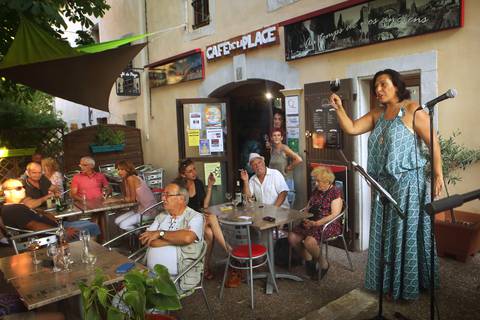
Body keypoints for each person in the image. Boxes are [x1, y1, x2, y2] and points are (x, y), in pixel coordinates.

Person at [330, 68, 444, 300]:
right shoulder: (377, 114)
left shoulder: (414, 110)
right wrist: (339, 108)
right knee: (388, 234)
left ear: (397, 85)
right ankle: (391, 282)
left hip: (408, 184)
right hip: (383, 186)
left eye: (383, 84)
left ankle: (410, 283)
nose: (378, 90)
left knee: (406, 234)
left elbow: (434, 143)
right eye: (376, 86)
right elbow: (351, 128)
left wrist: (438, 174)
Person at [139, 181, 204, 291]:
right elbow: (146, 240)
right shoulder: (161, 216)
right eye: (163, 194)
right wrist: (176, 239)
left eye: (167, 195)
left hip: (177, 278)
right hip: (149, 273)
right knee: (119, 299)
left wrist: (160, 233)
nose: (163, 198)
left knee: (148, 304)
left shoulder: (195, 217)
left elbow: (187, 238)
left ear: (181, 199)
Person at [175, 159, 230, 280]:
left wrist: (209, 186)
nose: (194, 172)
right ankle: (228, 250)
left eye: (194, 169)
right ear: (183, 174)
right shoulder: (179, 188)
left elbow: (204, 205)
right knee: (211, 219)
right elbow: (179, 211)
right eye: (190, 171)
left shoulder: (198, 183)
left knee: (210, 232)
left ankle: (205, 267)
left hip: (198, 217)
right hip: (185, 221)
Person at [288, 166, 343, 280]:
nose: (316, 184)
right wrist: (305, 219)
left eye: (319, 181)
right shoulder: (316, 191)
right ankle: (308, 260)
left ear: (327, 181)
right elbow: (308, 207)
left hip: (328, 224)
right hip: (311, 221)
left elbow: (334, 215)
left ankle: (323, 264)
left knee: (309, 242)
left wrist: (316, 223)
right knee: (292, 237)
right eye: (315, 181)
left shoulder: (335, 192)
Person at [1, 179, 100, 240]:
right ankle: (93, 250)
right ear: (6, 192)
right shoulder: (13, 209)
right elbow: (34, 226)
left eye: (23, 187)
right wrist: (62, 232)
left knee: (90, 224)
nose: (23, 189)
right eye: (18, 188)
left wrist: (41, 212)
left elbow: (37, 216)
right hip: (52, 236)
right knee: (92, 226)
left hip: (57, 227)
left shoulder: (17, 206)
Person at [114, 160, 157, 231]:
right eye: (118, 170)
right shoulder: (127, 179)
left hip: (148, 211)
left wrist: (115, 200)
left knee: (123, 225)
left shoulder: (131, 178)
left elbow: (131, 200)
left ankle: (140, 235)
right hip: (139, 209)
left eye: (122, 169)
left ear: (128, 169)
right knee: (117, 221)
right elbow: (128, 197)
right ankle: (136, 233)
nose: (119, 172)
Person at [269, 128, 303, 205]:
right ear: (271, 137)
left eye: (278, 135)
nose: (276, 137)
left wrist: (289, 167)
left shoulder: (284, 148)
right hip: (275, 182)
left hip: (285, 181)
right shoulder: (272, 149)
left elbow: (299, 159)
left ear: (282, 137)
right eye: (274, 135)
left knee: (286, 207)